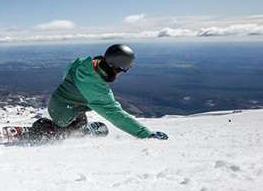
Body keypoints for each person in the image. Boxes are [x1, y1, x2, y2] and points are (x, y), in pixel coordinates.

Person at [31, 44, 168, 140]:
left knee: (80, 119)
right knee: (64, 132)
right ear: (117, 68)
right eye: (125, 70)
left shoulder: (83, 63)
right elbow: (117, 116)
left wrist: (72, 93)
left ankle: (77, 128)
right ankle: (42, 130)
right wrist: (146, 134)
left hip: (63, 104)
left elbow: (66, 73)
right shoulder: (97, 90)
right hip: (62, 113)